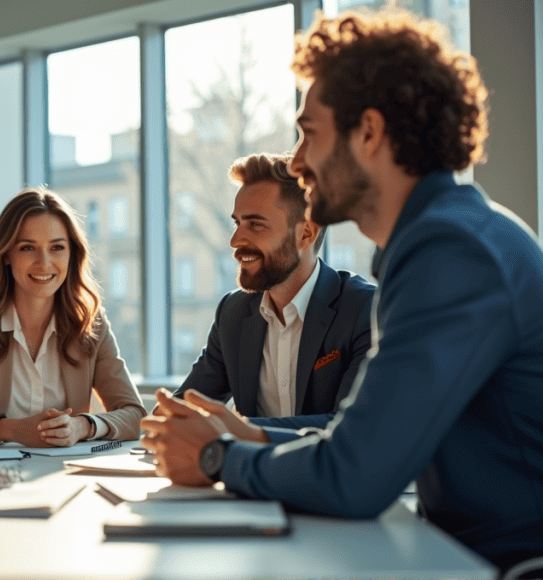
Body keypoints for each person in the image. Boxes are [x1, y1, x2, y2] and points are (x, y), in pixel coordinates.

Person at [141, 9, 543, 570]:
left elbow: (356, 475)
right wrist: (250, 439)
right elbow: (363, 440)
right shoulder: (439, 239)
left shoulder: (452, 254)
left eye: (309, 133)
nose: (299, 161)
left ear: (370, 133)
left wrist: (217, 456)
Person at [0, 188, 146, 446]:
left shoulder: (90, 321)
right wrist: (11, 430)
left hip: (62, 475)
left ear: (72, 254)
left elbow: (135, 414)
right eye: (28, 248)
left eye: (57, 247)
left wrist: (82, 426)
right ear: (6, 253)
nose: (44, 262)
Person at [171, 153, 374, 427]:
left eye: (255, 224)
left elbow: (351, 427)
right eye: (237, 223)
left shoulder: (364, 310)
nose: (235, 240)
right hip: (247, 470)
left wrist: (241, 430)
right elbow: (184, 408)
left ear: (306, 234)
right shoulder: (232, 313)